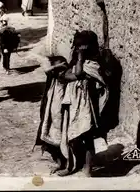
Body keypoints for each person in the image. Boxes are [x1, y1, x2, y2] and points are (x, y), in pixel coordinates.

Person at [34, 30, 109, 177]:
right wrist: (60, 70)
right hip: (72, 104)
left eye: (79, 47)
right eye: (75, 47)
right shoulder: (75, 63)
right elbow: (68, 76)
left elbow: (78, 75)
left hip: (86, 107)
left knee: (87, 136)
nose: (75, 50)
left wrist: (78, 60)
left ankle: (87, 169)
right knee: (70, 136)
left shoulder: (92, 65)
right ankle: (72, 164)